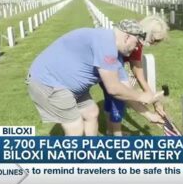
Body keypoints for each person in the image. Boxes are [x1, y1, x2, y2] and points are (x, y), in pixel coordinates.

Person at [27, 21, 164, 136]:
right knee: (75, 126)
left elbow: (125, 91)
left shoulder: (116, 55)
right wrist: (141, 96)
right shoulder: (105, 43)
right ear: (127, 37)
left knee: (91, 112)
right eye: (136, 43)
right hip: (49, 82)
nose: (136, 49)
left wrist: (150, 116)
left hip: (69, 86)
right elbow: (114, 89)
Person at [100, 16, 169, 136]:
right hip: (110, 64)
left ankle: (111, 131)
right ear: (149, 32)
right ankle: (117, 137)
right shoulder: (136, 42)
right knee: (119, 98)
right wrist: (153, 101)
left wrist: (154, 101)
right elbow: (139, 74)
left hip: (104, 63)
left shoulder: (132, 33)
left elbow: (138, 72)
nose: (155, 43)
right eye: (155, 39)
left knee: (110, 98)